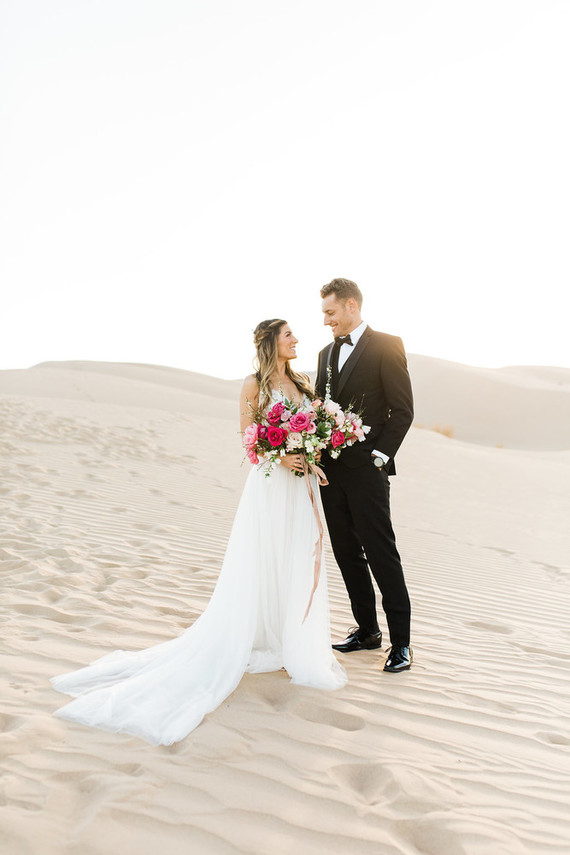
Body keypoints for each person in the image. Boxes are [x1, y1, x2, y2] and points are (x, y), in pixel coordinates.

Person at [51, 319, 346, 746]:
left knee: (297, 555)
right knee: (265, 556)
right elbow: (250, 440)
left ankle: (291, 638)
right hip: (271, 484)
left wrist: (311, 451)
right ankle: (259, 633)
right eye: (288, 335)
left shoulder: (302, 381)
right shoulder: (253, 384)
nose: (297, 339)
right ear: (271, 343)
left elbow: (313, 429)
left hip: (300, 488)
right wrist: (282, 459)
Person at [316, 278, 414, 672]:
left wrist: (378, 457)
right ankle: (368, 631)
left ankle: (402, 645)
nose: (326, 321)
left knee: (381, 554)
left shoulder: (387, 345)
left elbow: (402, 410)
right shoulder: (325, 354)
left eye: (331, 312)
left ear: (352, 306)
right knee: (346, 554)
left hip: (368, 472)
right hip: (331, 474)